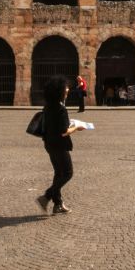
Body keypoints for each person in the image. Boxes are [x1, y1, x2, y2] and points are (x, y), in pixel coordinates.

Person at [35, 76, 83, 215]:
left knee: (58, 173)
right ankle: (46, 196)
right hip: (60, 144)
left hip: (49, 143)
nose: (68, 89)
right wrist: (77, 127)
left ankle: (58, 204)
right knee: (68, 173)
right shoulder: (61, 108)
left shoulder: (48, 106)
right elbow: (64, 132)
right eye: (65, 87)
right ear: (59, 91)